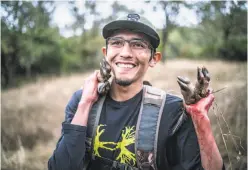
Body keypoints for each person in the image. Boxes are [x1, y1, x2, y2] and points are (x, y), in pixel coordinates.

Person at [48, 14, 225, 170]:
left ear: (154, 59)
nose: (125, 53)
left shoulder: (172, 112)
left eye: (138, 45)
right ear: (106, 52)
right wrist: (85, 103)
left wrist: (199, 118)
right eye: (116, 43)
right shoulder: (81, 100)